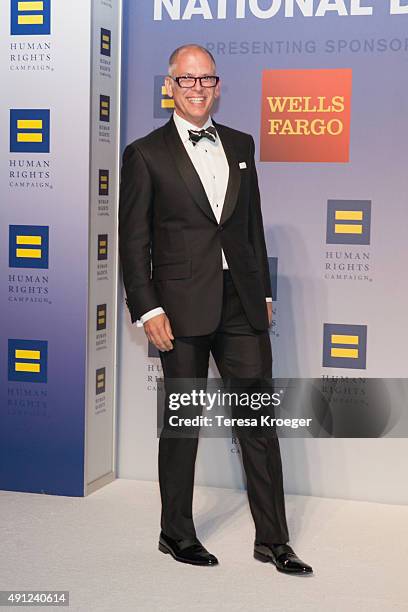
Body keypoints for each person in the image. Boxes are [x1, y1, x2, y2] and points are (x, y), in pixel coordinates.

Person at [119, 43, 313, 574]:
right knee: (182, 423)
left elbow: (249, 223)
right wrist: (146, 308)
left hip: (241, 303)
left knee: (258, 422)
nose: (198, 88)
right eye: (187, 80)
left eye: (206, 79)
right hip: (177, 308)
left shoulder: (242, 144)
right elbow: (133, 242)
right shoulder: (145, 153)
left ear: (218, 85)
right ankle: (174, 533)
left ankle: (273, 539)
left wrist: (265, 292)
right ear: (170, 87)